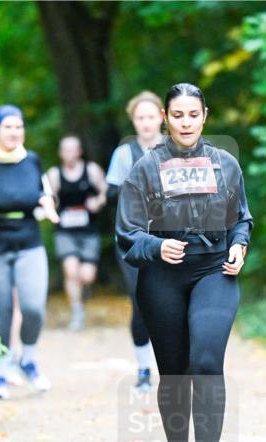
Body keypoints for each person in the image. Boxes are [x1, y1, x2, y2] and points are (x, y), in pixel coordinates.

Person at [115, 83, 252, 442]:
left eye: (194, 114)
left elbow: (241, 218)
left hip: (214, 271)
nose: (186, 122)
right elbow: (126, 235)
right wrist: (157, 245)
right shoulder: (145, 168)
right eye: (178, 115)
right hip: (163, 278)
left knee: (207, 361)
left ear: (205, 116)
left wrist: (240, 245)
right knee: (174, 371)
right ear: (165, 119)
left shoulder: (225, 164)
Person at [0, 104, 60, 400]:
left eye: (19, 127)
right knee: (2, 308)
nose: (14, 132)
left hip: (28, 240)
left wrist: (46, 202)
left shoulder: (32, 160)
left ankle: (28, 359)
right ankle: (0, 368)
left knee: (32, 308)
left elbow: (42, 191)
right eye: (8, 127)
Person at [105, 91, 164, 391]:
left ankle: (173, 368)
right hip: (133, 239)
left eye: (151, 117)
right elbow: (111, 194)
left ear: (161, 118)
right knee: (141, 301)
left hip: (170, 238)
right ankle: (143, 369)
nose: (145, 123)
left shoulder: (175, 150)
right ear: (134, 120)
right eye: (140, 118)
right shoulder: (124, 153)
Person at [45, 136, 108, 331]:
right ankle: (77, 310)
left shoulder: (91, 170)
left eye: (73, 149)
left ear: (79, 151)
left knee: (86, 275)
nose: (69, 154)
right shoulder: (55, 174)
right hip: (65, 231)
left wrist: (97, 202)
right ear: (60, 152)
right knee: (70, 271)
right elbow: (47, 197)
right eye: (65, 150)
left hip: (88, 231)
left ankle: (82, 292)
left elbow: (106, 192)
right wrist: (51, 204)